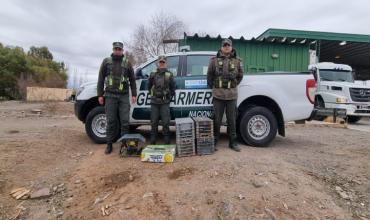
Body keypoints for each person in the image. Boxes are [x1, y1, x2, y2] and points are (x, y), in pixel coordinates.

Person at [97, 42, 137, 154]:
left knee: (125, 121)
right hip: (110, 95)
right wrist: (100, 94)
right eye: (116, 49)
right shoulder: (106, 62)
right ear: (113, 49)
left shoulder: (127, 63)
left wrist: (134, 94)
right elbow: (100, 79)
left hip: (123, 95)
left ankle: (123, 145)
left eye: (120, 49)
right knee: (110, 121)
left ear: (122, 50)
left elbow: (132, 79)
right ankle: (109, 144)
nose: (118, 51)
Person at [207, 39, 244, 152]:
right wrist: (214, 88)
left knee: (232, 120)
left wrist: (233, 85)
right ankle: (214, 141)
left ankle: (233, 142)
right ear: (221, 47)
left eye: (228, 45)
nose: (226, 47)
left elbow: (240, 76)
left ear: (231, 47)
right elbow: (209, 76)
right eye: (224, 45)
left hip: (231, 95)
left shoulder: (237, 61)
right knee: (217, 120)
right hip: (218, 95)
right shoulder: (214, 61)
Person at [147, 56, 176, 145]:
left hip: (165, 103)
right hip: (154, 102)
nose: (162, 64)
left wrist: (167, 98)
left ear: (166, 63)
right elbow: (148, 87)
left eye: (163, 62)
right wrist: (154, 96)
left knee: (166, 122)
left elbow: (173, 88)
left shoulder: (169, 74)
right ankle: (153, 139)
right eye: (160, 62)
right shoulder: (152, 74)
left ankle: (167, 140)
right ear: (158, 63)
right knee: (154, 122)